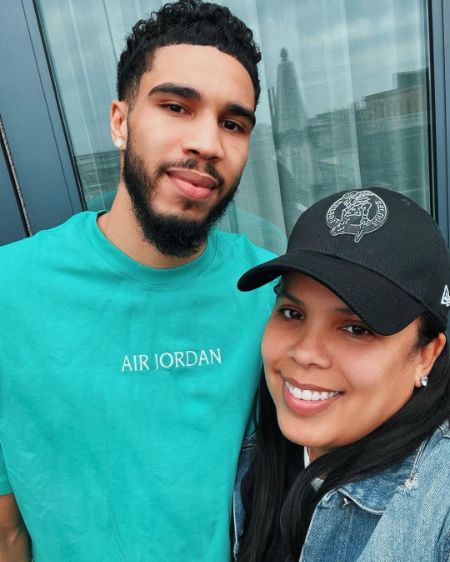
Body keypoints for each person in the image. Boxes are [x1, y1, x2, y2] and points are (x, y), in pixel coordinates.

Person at [0, 1, 275, 560]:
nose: (207, 143)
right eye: (177, 106)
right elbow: (6, 531)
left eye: (232, 123)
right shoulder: (10, 292)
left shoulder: (275, 291)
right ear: (120, 122)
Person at [233, 187, 450, 562]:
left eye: (356, 329)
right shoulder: (252, 449)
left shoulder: (438, 505)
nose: (305, 352)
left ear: (426, 355)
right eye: (292, 314)